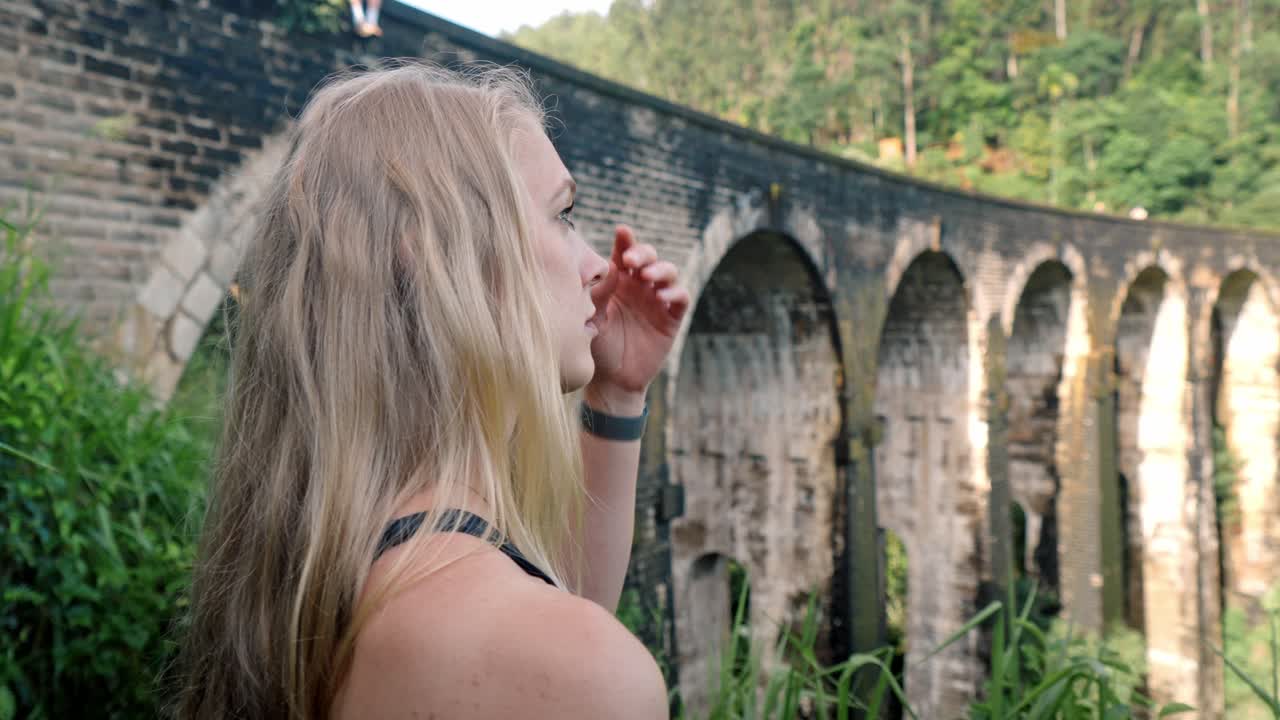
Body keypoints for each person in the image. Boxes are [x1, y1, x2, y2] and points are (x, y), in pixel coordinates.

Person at [172, 61, 689, 719]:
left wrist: (616, 398)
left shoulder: (326, 565)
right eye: (563, 213)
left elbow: (552, 617)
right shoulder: (575, 667)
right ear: (441, 254)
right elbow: (563, 661)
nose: (597, 267)